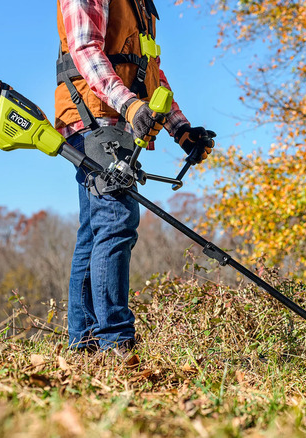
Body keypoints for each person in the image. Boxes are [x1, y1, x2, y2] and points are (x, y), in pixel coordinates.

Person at [54, 0, 214, 362]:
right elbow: (85, 49)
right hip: (92, 114)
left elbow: (151, 73)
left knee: (96, 229)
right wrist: (128, 104)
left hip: (117, 118)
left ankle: (85, 346)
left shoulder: (140, 5)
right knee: (116, 220)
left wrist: (181, 129)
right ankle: (116, 344)